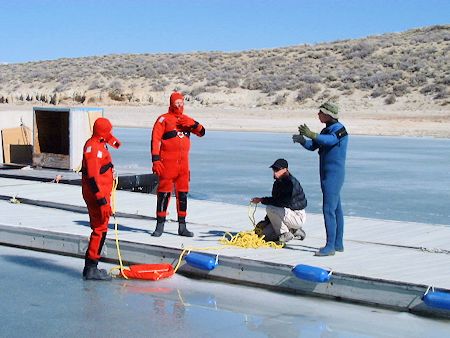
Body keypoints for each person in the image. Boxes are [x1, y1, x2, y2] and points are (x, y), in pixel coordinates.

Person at [293, 101, 348, 256]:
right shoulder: (326, 130)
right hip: (326, 174)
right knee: (336, 208)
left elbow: (329, 141)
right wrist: (303, 140)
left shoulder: (339, 130)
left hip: (334, 176)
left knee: (329, 209)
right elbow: (314, 145)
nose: (318, 114)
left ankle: (330, 246)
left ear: (328, 114)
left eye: (320, 112)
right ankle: (338, 243)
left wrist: (311, 134)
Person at [151, 92, 206, 237]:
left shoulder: (186, 120)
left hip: (183, 167)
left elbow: (202, 132)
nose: (180, 105)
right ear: (171, 103)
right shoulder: (163, 120)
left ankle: (182, 227)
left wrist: (193, 124)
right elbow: (155, 140)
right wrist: (155, 159)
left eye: (182, 102)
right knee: (163, 194)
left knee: (182, 195)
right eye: (177, 103)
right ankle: (160, 225)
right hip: (167, 165)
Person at [81, 117, 121, 280]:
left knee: (100, 228)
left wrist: (113, 141)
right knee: (100, 229)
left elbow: (114, 143)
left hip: (101, 193)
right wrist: (102, 201)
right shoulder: (93, 150)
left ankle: (91, 266)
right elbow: (92, 177)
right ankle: (91, 268)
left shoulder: (97, 141)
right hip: (97, 195)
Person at [251, 158, 307, 244]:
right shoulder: (278, 183)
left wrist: (262, 200)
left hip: (297, 216)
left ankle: (285, 233)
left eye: (277, 169)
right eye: (274, 169)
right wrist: (267, 221)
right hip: (287, 215)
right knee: (264, 235)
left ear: (285, 169)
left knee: (270, 208)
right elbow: (277, 204)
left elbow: (281, 203)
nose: (275, 172)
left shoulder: (290, 183)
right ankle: (293, 230)